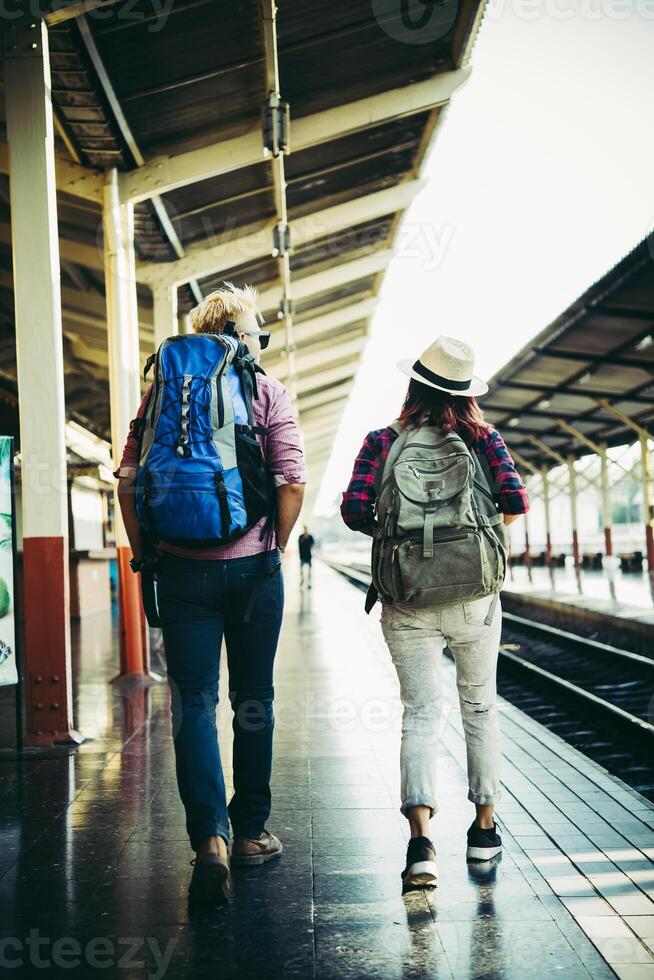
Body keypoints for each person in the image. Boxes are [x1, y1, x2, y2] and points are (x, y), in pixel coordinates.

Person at [115, 284, 306, 902]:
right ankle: (250, 831)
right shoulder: (266, 391)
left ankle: (210, 843)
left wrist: (147, 555)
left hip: (179, 572)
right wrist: (271, 546)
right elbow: (292, 483)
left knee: (192, 703)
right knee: (254, 698)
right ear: (245, 337)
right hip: (252, 571)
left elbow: (126, 482)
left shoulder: (161, 391)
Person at [341, 336, 529, 888]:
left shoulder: (383, 440)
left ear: (413, 386)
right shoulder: (483, 438)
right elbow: (515, 502)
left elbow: (354, 509)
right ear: (467, 393)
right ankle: (484, 831)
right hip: (475, 598)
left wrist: (404, 538)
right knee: (480, 710)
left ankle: (420, 846)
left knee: (421, 715)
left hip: (407, 599)